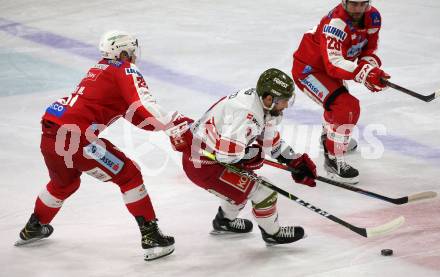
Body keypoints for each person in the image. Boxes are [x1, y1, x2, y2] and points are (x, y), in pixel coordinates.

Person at [15, 30, 192, 261]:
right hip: (77, 138)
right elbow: (142, 106)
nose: (135, 56)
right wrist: (173, 122)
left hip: (50, 134)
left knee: (63, 183)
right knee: (129, 176)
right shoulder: (124, 69)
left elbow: (136, 116)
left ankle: (34, 226)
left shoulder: (99, 69)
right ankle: (151, 237)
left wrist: (161, 126)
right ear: (124, 52)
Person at [176, 68, 317, 245]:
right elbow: (227, 156)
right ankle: (273, 233)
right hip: (204, 164)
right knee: (264, 191)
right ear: (269, 98)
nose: (286, 105)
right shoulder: (247, 115)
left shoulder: (260, 104)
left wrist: (292, 160)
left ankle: (225, 222)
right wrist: (250, 156)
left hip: (210, 156)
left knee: (240, 189)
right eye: (283, 101)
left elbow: (267, 139)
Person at [291, 0, 391, 184]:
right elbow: (333, 64)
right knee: (346, 106)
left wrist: (372, 69)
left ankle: (329, 138)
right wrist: (366, 73)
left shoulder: (373, 17)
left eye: (363, 4)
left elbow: (368, 49)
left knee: (340, 107)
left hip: (331, 72)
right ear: (344, 1)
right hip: (309, 71)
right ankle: (333, 159)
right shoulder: (336, 24)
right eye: (353, 4)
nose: (358, 9)